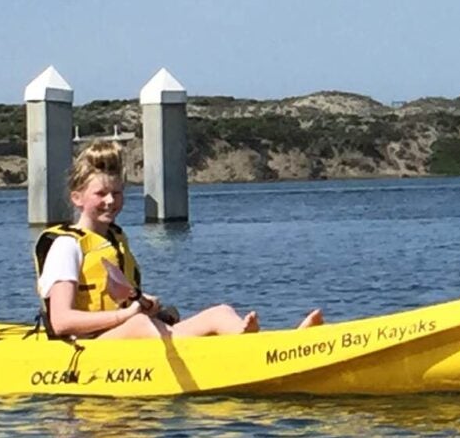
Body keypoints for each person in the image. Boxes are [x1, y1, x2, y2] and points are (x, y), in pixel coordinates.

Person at [36, 141, 322, 340]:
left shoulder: (114, 239)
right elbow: (62, 322)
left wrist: (150, 306)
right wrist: (130, 315)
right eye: (101, 194)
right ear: (77, 198)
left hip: (124, 334)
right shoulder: (66, 246)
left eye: (118, 194)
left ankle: (269, 343)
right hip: (88, 346)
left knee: (220, 312)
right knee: (140, 324)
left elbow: (122, 300)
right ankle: (228, 353)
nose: (111, 201)